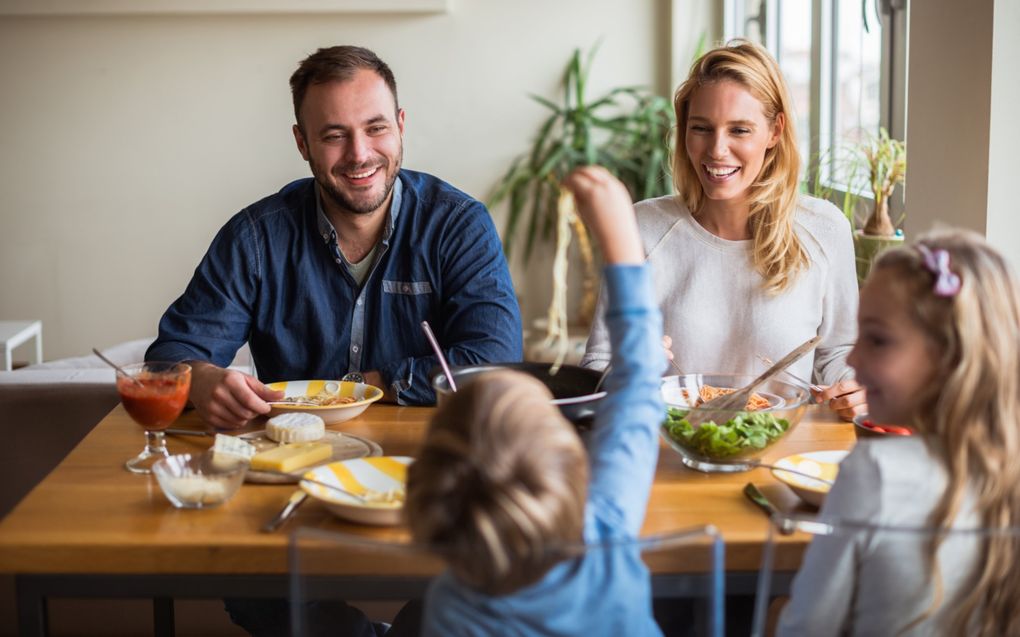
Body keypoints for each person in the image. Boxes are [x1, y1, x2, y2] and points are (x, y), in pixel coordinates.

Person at [146, 45, 522, 427]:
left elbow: (495, 359)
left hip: (426, 458)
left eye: (376, 128)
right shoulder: (255, 238)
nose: (359, 154)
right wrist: (203, 379)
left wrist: (363, 386)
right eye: (334, 136)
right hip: (287, 460)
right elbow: (171, 357)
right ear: (302, 143)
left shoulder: (458, 225)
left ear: (401, 125)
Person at [405, 165, 665, 635]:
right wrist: (621, 238)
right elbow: (641, 381)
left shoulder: (448, 609)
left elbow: (638, 383)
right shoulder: (606, 536)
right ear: (575, 469)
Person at [580, 40, 865, 421]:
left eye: (740, 130)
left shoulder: (825, 229)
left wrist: (856, 389)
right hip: (669, 449)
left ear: (775, 132)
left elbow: (838, 353)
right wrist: (631, 367)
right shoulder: (642, 227)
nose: (716, 149)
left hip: (782, 448)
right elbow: (598, 365)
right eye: (701, 128)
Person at [779, 229, 1020, 635]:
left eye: (877, 340)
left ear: (949, 356)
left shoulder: (874, 471)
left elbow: (806, 628)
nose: (854, 357)